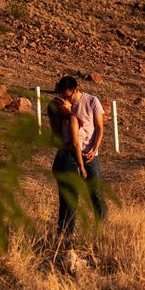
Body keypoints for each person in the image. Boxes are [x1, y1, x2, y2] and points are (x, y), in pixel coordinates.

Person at [54, 76, 107, 224]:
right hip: (70, 153)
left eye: (67, 96)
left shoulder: (91, 101)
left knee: (95, 192)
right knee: (69, 197)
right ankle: (65, 230)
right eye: (62, 96)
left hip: (89, 153)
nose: (65, 99)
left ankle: (103, 226)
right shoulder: (63, 105)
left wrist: (94, 149)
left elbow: (100, 128)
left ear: (76, 90)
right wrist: (65, 111)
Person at [48, 96, 87, 248]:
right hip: (69, 161)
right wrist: (82, 166)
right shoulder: (72, 120)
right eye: (64, 101)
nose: (67, 100)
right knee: (72, 202)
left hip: (58, 161)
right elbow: (76, 145)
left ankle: (60, 235)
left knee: (64, 202)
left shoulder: (60, 122)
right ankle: (69, 238)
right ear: (64, 107)